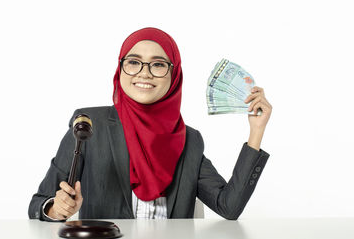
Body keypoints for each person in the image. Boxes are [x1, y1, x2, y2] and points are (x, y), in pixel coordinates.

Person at [28, 27, 272, 221]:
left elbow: (228, 207)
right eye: (133, 62)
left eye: (158, 64)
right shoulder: (88, 125)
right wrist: (55, 208)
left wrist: (256, 130)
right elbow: (40, 203)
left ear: (174, 75)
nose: (144, 73)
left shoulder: (190, 140)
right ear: (120, 68)